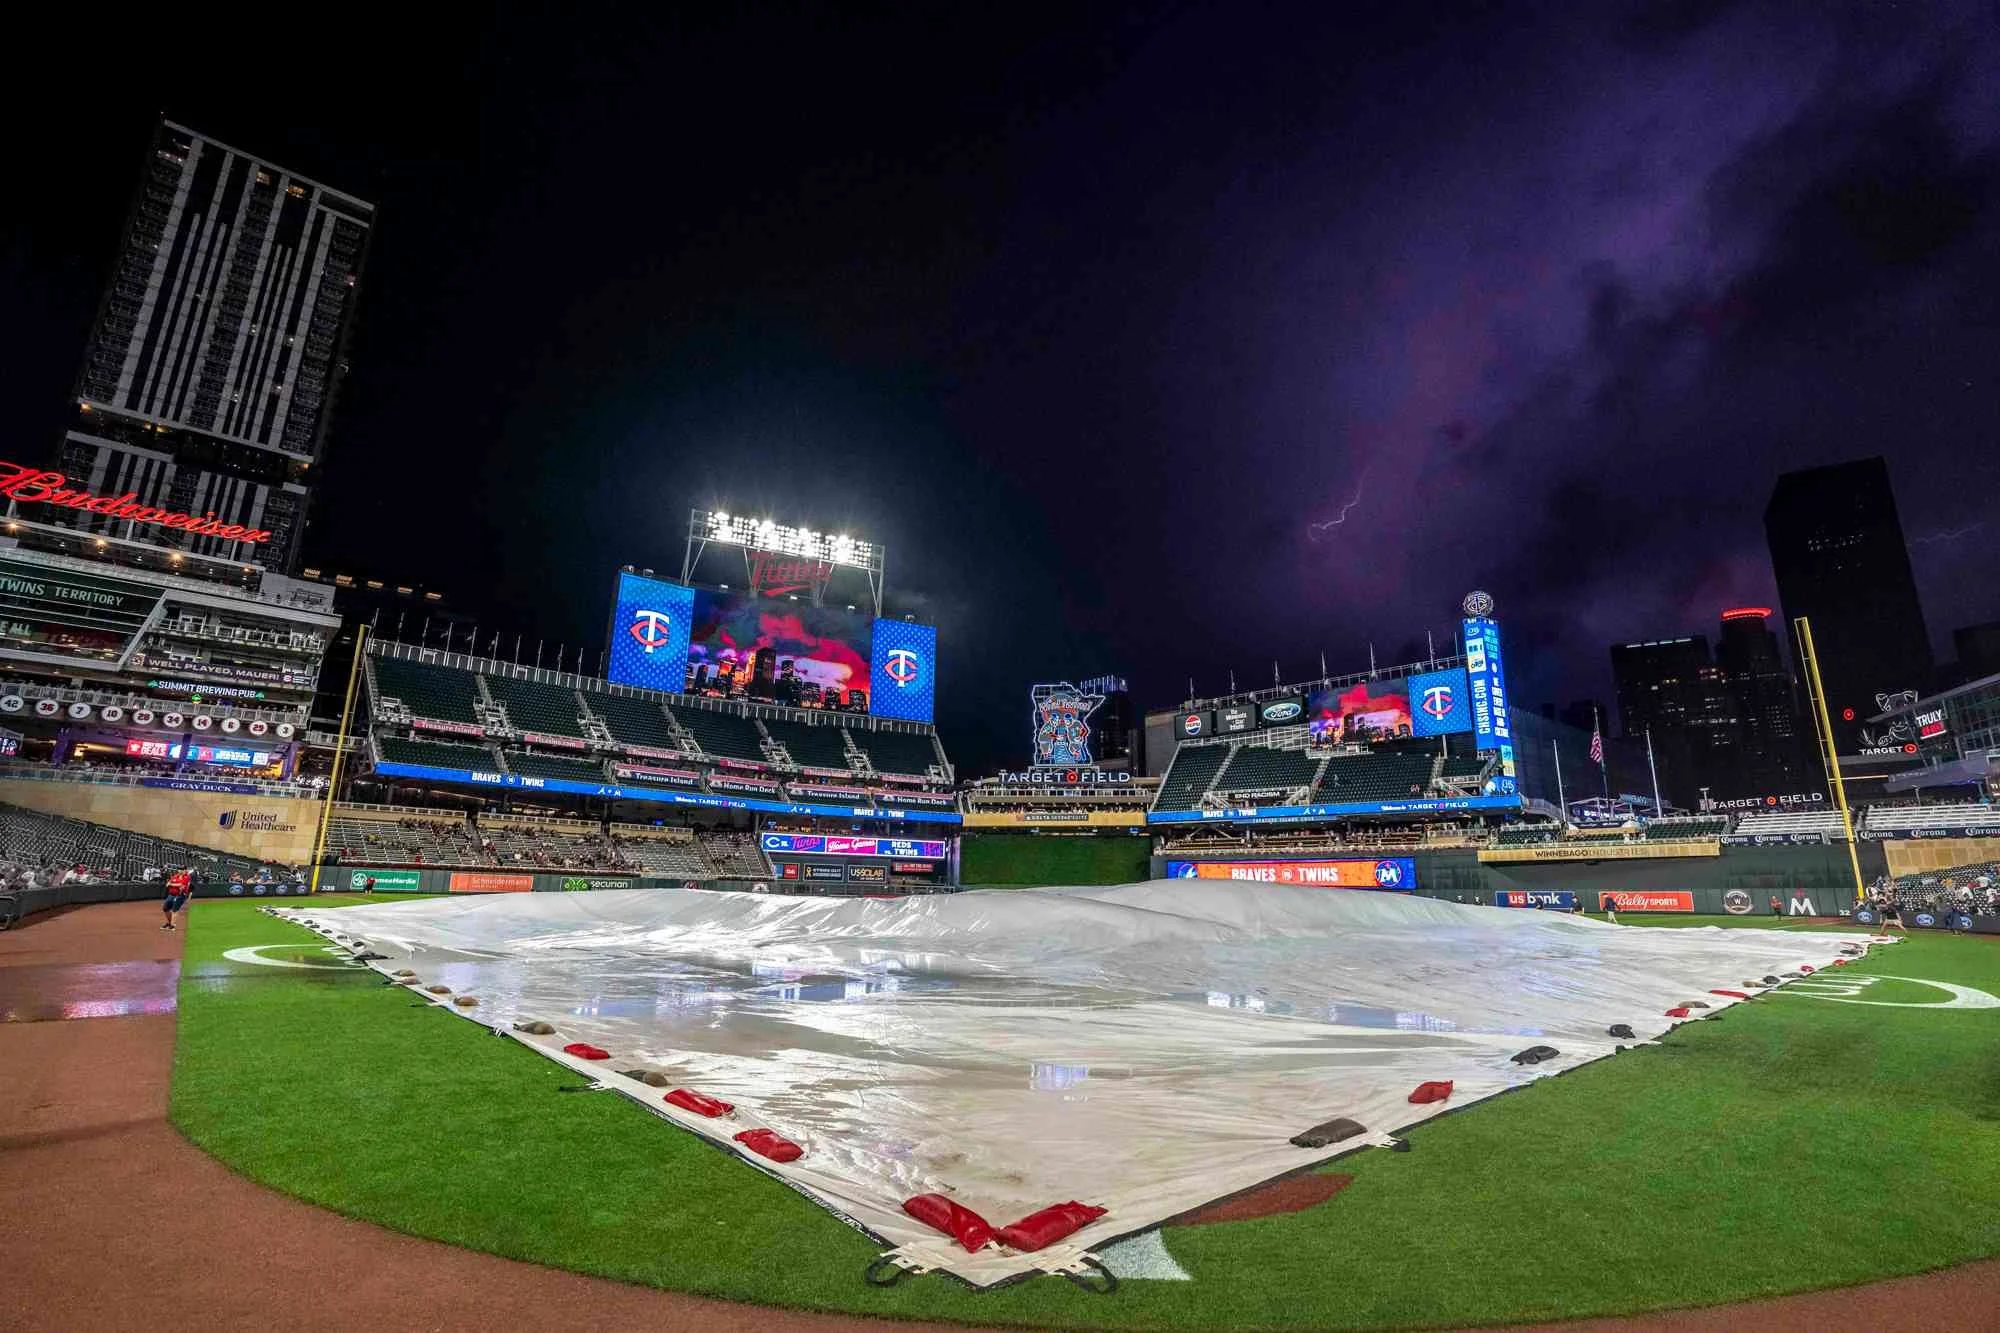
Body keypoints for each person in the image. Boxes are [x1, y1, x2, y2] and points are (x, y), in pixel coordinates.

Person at [162, 865, 193, 932]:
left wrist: (172, 884)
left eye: (182, 869)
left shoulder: (187, 877)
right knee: (165, 908)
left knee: (174, 910)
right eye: (179, 869)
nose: (180, 870)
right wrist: (174, 884)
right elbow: (168, 884)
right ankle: (170, 923)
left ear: (185, 870)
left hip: (180, 895)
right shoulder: (175, 876)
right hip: (171, 894)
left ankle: (172, 926)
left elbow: (181, 885)